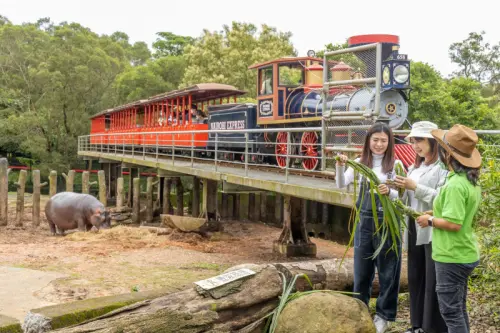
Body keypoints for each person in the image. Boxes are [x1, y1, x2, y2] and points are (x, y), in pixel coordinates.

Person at [336, 122, 403, 333]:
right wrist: (339, 165)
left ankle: (384, 316)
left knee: (388, 271)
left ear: (390, 142)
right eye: (375, 140)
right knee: (362, 271)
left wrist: (389, 192)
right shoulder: (359, 163)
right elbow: (340, 184)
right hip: (364, 222)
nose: (379, 144)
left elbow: (403, 197)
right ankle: (360, 310)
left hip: (388, 224)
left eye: (384, 140)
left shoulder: (397, 165)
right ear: (368, 141)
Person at [416, 124, 482, 333]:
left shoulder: (455, 185)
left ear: (448, 155)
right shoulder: (468, 181)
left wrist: (431, 222)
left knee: (451, 313)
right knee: (458, 309)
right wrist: (433, 214)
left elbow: (454, 223)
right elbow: (458, 213)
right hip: (463, 252)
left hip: (451, 255)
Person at [393, 121, 448, 333]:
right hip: (414, 224)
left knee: (431, 279)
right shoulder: (415, 167)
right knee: (416, 276)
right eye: (414, 140)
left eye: (420, 140)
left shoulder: (442, 168)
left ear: (433, 142)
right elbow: (408, 196)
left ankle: (431, 327)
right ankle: (416, 324)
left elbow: (442, 201)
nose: (416, 145)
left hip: (433, 227)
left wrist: (414, 186)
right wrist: (396, 189)